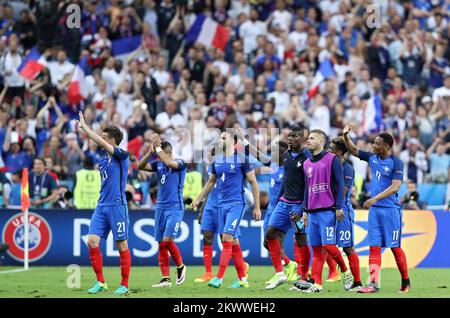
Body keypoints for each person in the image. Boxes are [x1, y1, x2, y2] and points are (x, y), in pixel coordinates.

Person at [343, 123, 410, 293]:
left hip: (390, 211)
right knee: (374, 246)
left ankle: (405, 282)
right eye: (374, 143)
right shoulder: (372, 157)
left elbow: (395, 187)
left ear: (387, 146)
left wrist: (374, 198)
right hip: (375, 211)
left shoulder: (396, 163)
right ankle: (373, 284)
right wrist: (345, 136)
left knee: (395, 247)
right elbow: (354, 150)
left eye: (377, 143)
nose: (374, 146)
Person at [191, 130, 261, 289]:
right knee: (234, 242)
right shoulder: (217, 160)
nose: (220, 140)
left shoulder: (242, 159)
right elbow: (210, 183)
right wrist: (197, 199)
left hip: (237, 204)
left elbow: (254, 183)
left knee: (226, 239)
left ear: (232, 141)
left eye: (223, 137)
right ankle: (242, 279)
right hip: (221, 205)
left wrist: (257, 207)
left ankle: (219, 278)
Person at [77, 111, 131, 295]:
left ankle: (124, 284)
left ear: (114, 140)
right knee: (92, 241)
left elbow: (100, 142)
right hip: (101, 206)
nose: (101, 139)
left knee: (121, 245)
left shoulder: (122, 156)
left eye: (105, 137)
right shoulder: (102, 161)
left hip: (117, 205)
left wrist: (85, 128)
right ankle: (101, 282)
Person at [293, 129, 353, 293]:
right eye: (308, 138)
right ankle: (317, 285)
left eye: (311, 138)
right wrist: (305, 210)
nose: (308, 141)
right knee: (317, 251)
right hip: (312, 213)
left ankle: (345, 271)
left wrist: (339, 207)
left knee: (329, 245)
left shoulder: (332, 159)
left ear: (321, 141)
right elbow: (307, 188)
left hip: (327, 211)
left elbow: (340, 184)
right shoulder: (306, 164)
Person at [137, 133, 187, 288]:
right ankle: (165, 278)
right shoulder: (158, 165)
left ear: (169, 153)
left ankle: (180, 266)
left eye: (161, 154)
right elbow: (140, 166)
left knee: (167, 241)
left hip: (175, 207)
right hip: (160, 208)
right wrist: (150, 152)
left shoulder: (180, 163)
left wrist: (158, 148)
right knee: (160, 243)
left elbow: (169, 163)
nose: (160, 158)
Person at [328, 137, 362, 291]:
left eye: (332, 148)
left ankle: (358, 281)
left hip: (343, 211)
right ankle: (316, 278)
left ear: (340, 152)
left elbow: (343, 191)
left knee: (347, 247)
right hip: (327, 210)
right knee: (325, 245)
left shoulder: (347, 168)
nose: (328, 150)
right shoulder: (326, 164)